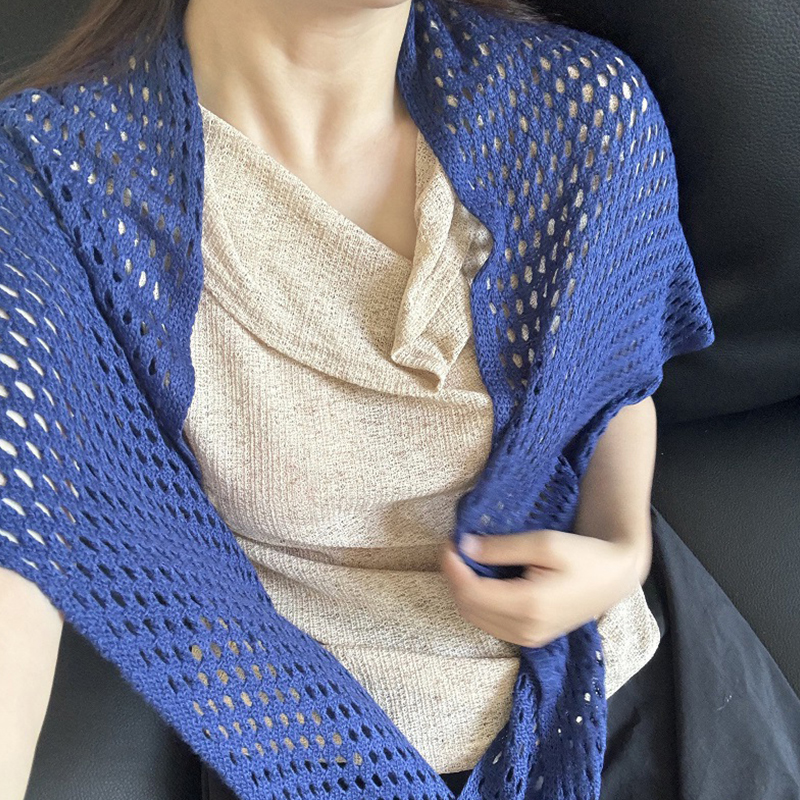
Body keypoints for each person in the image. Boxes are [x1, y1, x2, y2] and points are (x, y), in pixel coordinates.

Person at [0, 1, 733, 798]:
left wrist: (622, 547)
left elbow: (615, 376)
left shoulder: (582, 109)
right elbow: (20, 535)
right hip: (320, 746)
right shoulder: (52, 186)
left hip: (634, 684)